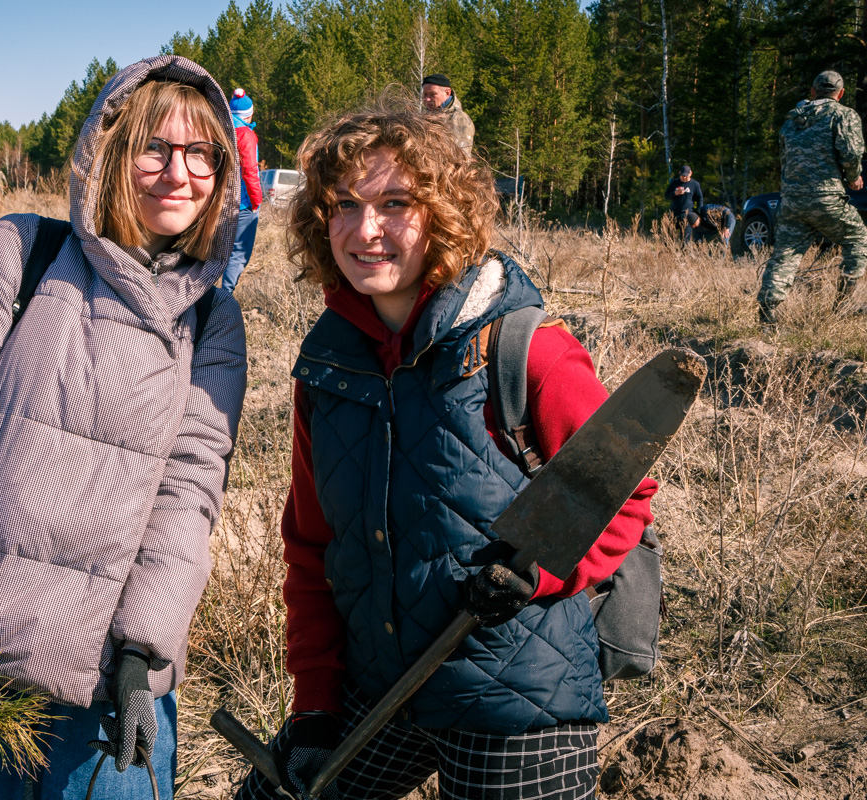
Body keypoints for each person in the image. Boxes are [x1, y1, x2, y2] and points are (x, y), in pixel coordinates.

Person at [234, 104, 656, 800]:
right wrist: (313, 708)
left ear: (442, 213)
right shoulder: (330, 368)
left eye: (394, 203)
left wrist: (538, 575)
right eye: (344, 205)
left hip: (517, 696)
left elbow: (624, 493)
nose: (365, 230)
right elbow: (312, 547)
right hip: (384, 686)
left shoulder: (522, 347)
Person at [0, 54, 248, 800]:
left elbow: (188, 495)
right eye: (154, 148)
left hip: (103, 678)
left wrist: (145, 650)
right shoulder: (21, 256)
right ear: (109, 153)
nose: (179, 173)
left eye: (202, 153)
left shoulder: (214, 323)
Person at [758, 70, 866, 324]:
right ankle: (842, 307)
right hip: (826, 196)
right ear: (840, 94)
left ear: (813, 91)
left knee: (785, 254)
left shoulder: (792, 119)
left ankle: (767, 314)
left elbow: (784, 159)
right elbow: (851, 153)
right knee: (857, 238)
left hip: (792, 200)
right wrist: (853, 177)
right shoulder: (843, 114)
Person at [220, 88, 264, 291]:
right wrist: (256, 201)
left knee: (219, 252)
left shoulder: (221, 131)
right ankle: (225, 299)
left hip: (221, 201)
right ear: (250, 114)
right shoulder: (245, 134)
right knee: (239, 254)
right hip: (243, 204)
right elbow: (250, 171)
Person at [421, 74, 475, 159]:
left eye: (432, 94)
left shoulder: (459, 119)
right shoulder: (423, 117)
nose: (427, 99)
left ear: (447, 93)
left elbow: (462, 160)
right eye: (425, 94)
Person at [665, 165, 703, 237]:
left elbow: (699, 198)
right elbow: (667, 196)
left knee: (685, 239)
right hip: (674, 213)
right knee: (669, 236)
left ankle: (684, 248)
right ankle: (670, 248)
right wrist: (675, 193)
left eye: (686, 175)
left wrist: (698, 212)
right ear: (679, 173)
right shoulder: (674, 183)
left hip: (687, 214)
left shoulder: (695, 184)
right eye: (682, 175)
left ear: (690, 173)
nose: (684, 177)